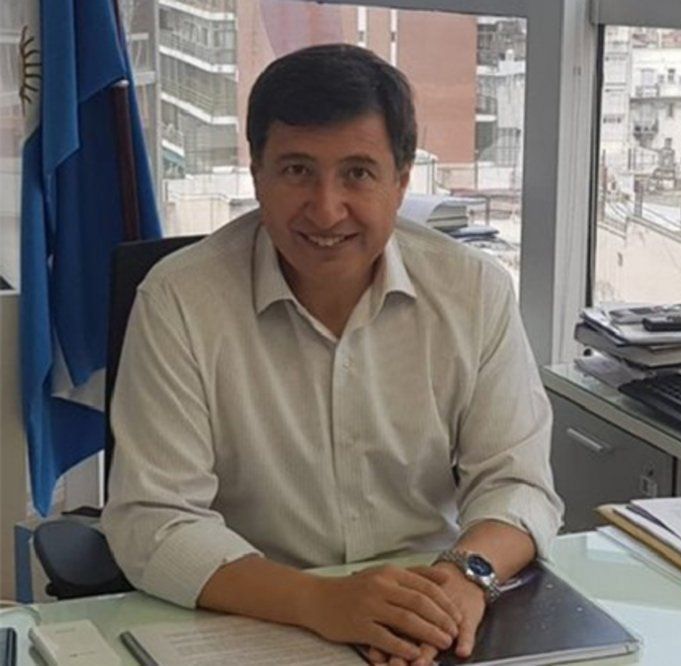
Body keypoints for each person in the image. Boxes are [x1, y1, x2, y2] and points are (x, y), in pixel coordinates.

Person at [101, 44, 562, 666]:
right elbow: (154, 521)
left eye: (358, 173)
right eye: (296, 170)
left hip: (431, 610)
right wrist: (322, 602)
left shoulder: (473, 290)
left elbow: (516, 482)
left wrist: (464, 578)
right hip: (258, 614)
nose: (325, 208)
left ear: (401, 180)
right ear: (257, 174)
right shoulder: (179, 300)